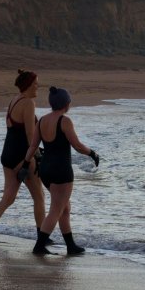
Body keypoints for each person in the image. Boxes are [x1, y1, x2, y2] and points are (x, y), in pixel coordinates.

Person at [0, 69, 46, 244]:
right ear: (29, 85)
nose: (38, 86)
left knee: (8, 198)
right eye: (36, 83)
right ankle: (42, 238)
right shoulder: (29, 103)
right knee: (39, 197)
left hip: (7, 154)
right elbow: (30, 135)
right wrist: (36, 155)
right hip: (21, 156)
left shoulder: (14, 101)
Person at [33, 86, 100, 255]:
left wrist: (27, 163)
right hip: (61, 170)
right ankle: (39, 246)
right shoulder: (64, 121)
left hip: (45, 169)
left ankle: (71, 246)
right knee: (56, 209)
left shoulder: (42, 121)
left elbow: (33, 146)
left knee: (65, 208)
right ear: (66, 103)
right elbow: (77, 145)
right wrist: (92, 153)